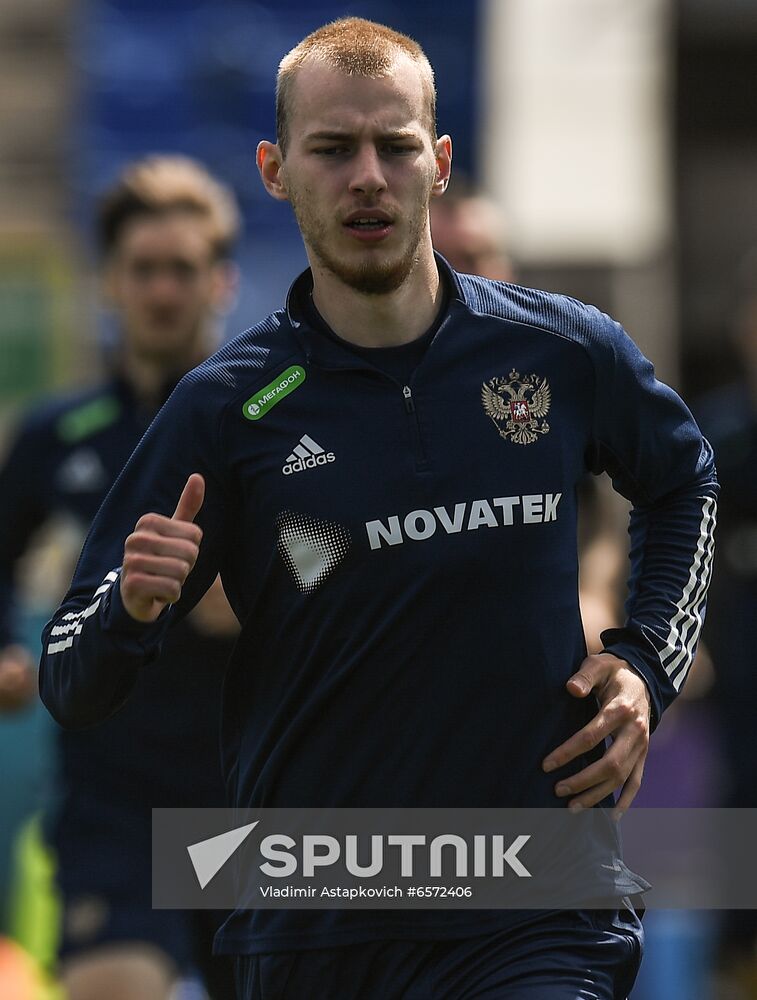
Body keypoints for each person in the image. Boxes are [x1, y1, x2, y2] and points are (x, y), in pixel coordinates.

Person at [39, 18, 718, 999]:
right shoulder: (227, 407)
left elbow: (682, 476)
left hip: (536, 906)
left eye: (395, 146)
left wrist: (643, 661)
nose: (368, 175)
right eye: (332, 148)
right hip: (318, 925)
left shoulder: (563, 354)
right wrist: (132, 612)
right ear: (275, 169)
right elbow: (72, 673)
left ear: (438, 163)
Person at [0, 155, 241, 999]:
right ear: (108, 281)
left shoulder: (271, 422)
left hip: (252, 798)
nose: (163, 290)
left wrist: (252, 602)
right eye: (144, 269)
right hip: (114, 804)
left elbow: (341, 566)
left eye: (184, 269)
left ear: (222, 280)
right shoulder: (58, 436)